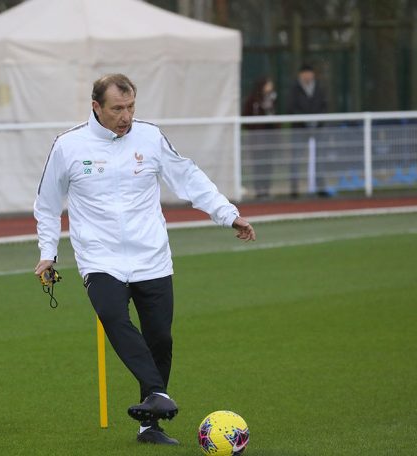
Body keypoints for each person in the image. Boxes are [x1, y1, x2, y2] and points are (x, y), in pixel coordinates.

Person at [33, 74, 256, 445]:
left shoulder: (150, 138)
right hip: (99, 258)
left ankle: (150, 425)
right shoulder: (68, 146)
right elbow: (47, 204)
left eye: (131, 106)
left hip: (152, 256)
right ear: (96, 108)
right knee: (114, 318)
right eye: (118, 108)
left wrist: (227, 213)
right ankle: (157, 391)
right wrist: (48, 252)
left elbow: (189, 179)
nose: (127, 116)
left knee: (161, 339)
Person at [287, 64, 328, 197]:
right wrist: (304, 120)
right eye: (305, 73)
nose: (308, 76)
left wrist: (317, 121)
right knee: (296, 159)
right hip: (300, 129)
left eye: (310, 73)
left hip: (317, 128)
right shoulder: (294, 89)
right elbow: (291, 108)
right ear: (300, 74)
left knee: (320, 158)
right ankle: (294, 189)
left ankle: (321, 187)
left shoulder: (319, 88)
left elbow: (324, 105)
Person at [242, 77, 278, 198]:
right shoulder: (252, 100)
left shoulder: (272, 99)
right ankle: (259, 190)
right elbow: (246, 119)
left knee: (268, 165)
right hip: (257, 140)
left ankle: (266, 189)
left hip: (269, 139)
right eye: (268, 84)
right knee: (258, 165)